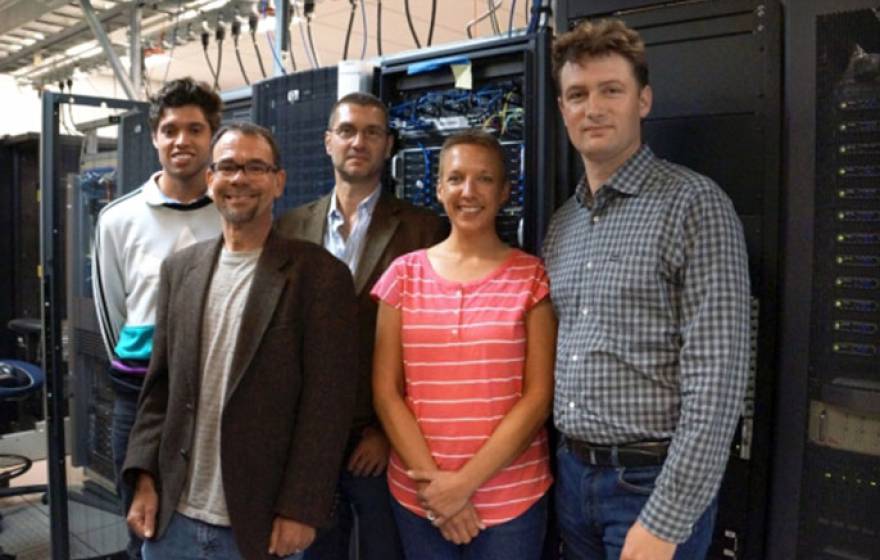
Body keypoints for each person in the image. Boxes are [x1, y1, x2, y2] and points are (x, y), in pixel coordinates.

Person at [544, 19, 751, 560]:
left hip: (649, 485)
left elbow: (719, 381)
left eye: (611, 90)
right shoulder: (563, 224)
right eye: (577, 95)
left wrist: (667, 518)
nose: (593, 108)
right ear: (562, 109)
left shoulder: (694, 205)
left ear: (644, 100)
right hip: (571, 477)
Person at [122, 123, 357, 560]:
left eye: (255, 167)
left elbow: (327, 407)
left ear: (278, 181)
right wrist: (144, 479)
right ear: (210, 179)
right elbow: (160, 390)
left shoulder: (319, 276)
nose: (239, 179)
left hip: (260, 523)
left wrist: (301, 508)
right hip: (172, 519)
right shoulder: (180, 270)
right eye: (227, 167)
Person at [372, 130, 557, 559]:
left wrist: (463, 485)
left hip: (511, 501)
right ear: (439, 189)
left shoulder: (532, 277)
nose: (468, 191)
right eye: (455, 178)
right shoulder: (403, 275)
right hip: (421, 498)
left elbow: (538, 397)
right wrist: (437, 491)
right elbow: (386, 392)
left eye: (484, 179)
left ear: (505, 192)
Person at [276, 92, 445, 560]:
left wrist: (386, 431)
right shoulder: (289, 228)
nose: (359, 142)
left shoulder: (423, 230)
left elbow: (428, 347)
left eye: (372, 133)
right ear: (328, 141)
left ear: (388, 145)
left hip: (378, 437)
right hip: (308, 438)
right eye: (347, 131)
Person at [92, 77, 223, 559]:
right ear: (154, 137)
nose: (181, 140)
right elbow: (112, 313)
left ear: (212, 136)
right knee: (143, 527)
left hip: (217, 398)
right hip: (141, 400)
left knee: (216, 526)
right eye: (170, 130)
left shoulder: (234, 212)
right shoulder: (118, 219)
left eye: (195, 129)